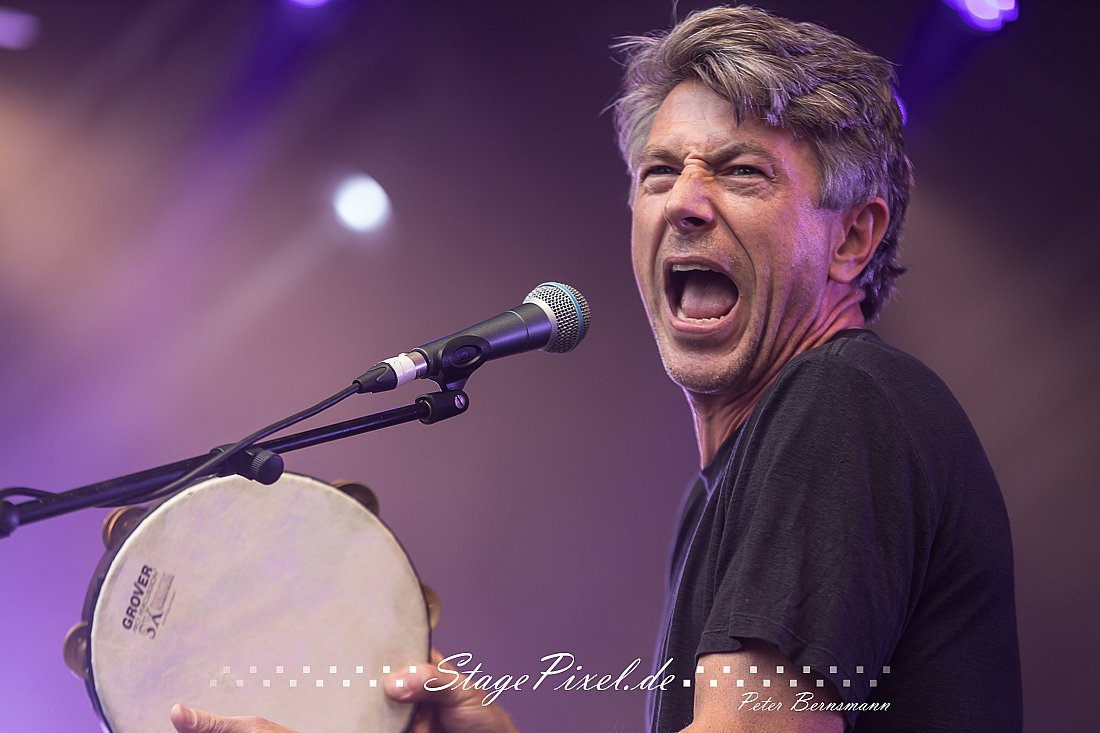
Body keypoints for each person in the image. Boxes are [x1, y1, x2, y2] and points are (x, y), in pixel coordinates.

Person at [169, 5, 1022, 733]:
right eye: (660, 172)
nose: (684, 202)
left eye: (741, 172)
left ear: (853, 237)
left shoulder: (841, 398)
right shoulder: (723, 488)